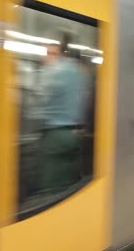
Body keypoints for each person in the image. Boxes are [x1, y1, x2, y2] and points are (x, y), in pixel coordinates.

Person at [36, 32, 86, 195]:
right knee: (69, 184)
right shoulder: (75, 71)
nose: (47, 57)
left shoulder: (53, 73)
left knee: (51, 187)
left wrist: (45, 69)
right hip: (73, 135)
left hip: (55, 135)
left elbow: (40, 101)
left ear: (59, 55)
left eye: (51, 53)